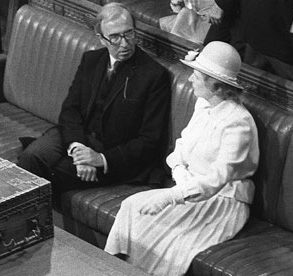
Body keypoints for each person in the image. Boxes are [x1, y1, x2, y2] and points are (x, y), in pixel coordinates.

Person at [104, 41, 260, 276]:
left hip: (221, 203)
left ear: (215, 86)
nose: (190, 80)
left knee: (169, 241)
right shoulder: (202, 104)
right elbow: (182, 147)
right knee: (131, 207)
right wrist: (180, 173)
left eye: (196, 76)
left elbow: (218, 178)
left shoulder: (238, 122)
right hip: (188, 191)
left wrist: (171, 195)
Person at [17, 3, 171, 199]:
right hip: (77, 137)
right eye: (115, 37)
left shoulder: (154, 75)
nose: (124, 43)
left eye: (129, 34)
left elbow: (150, 140)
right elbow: (70, 110)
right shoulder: (91, 60)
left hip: (113, 154)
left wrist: (100, 159)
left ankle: (28, 226)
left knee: (41, 174)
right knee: (31, 157)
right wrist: (78, 149)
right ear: (102, 39)